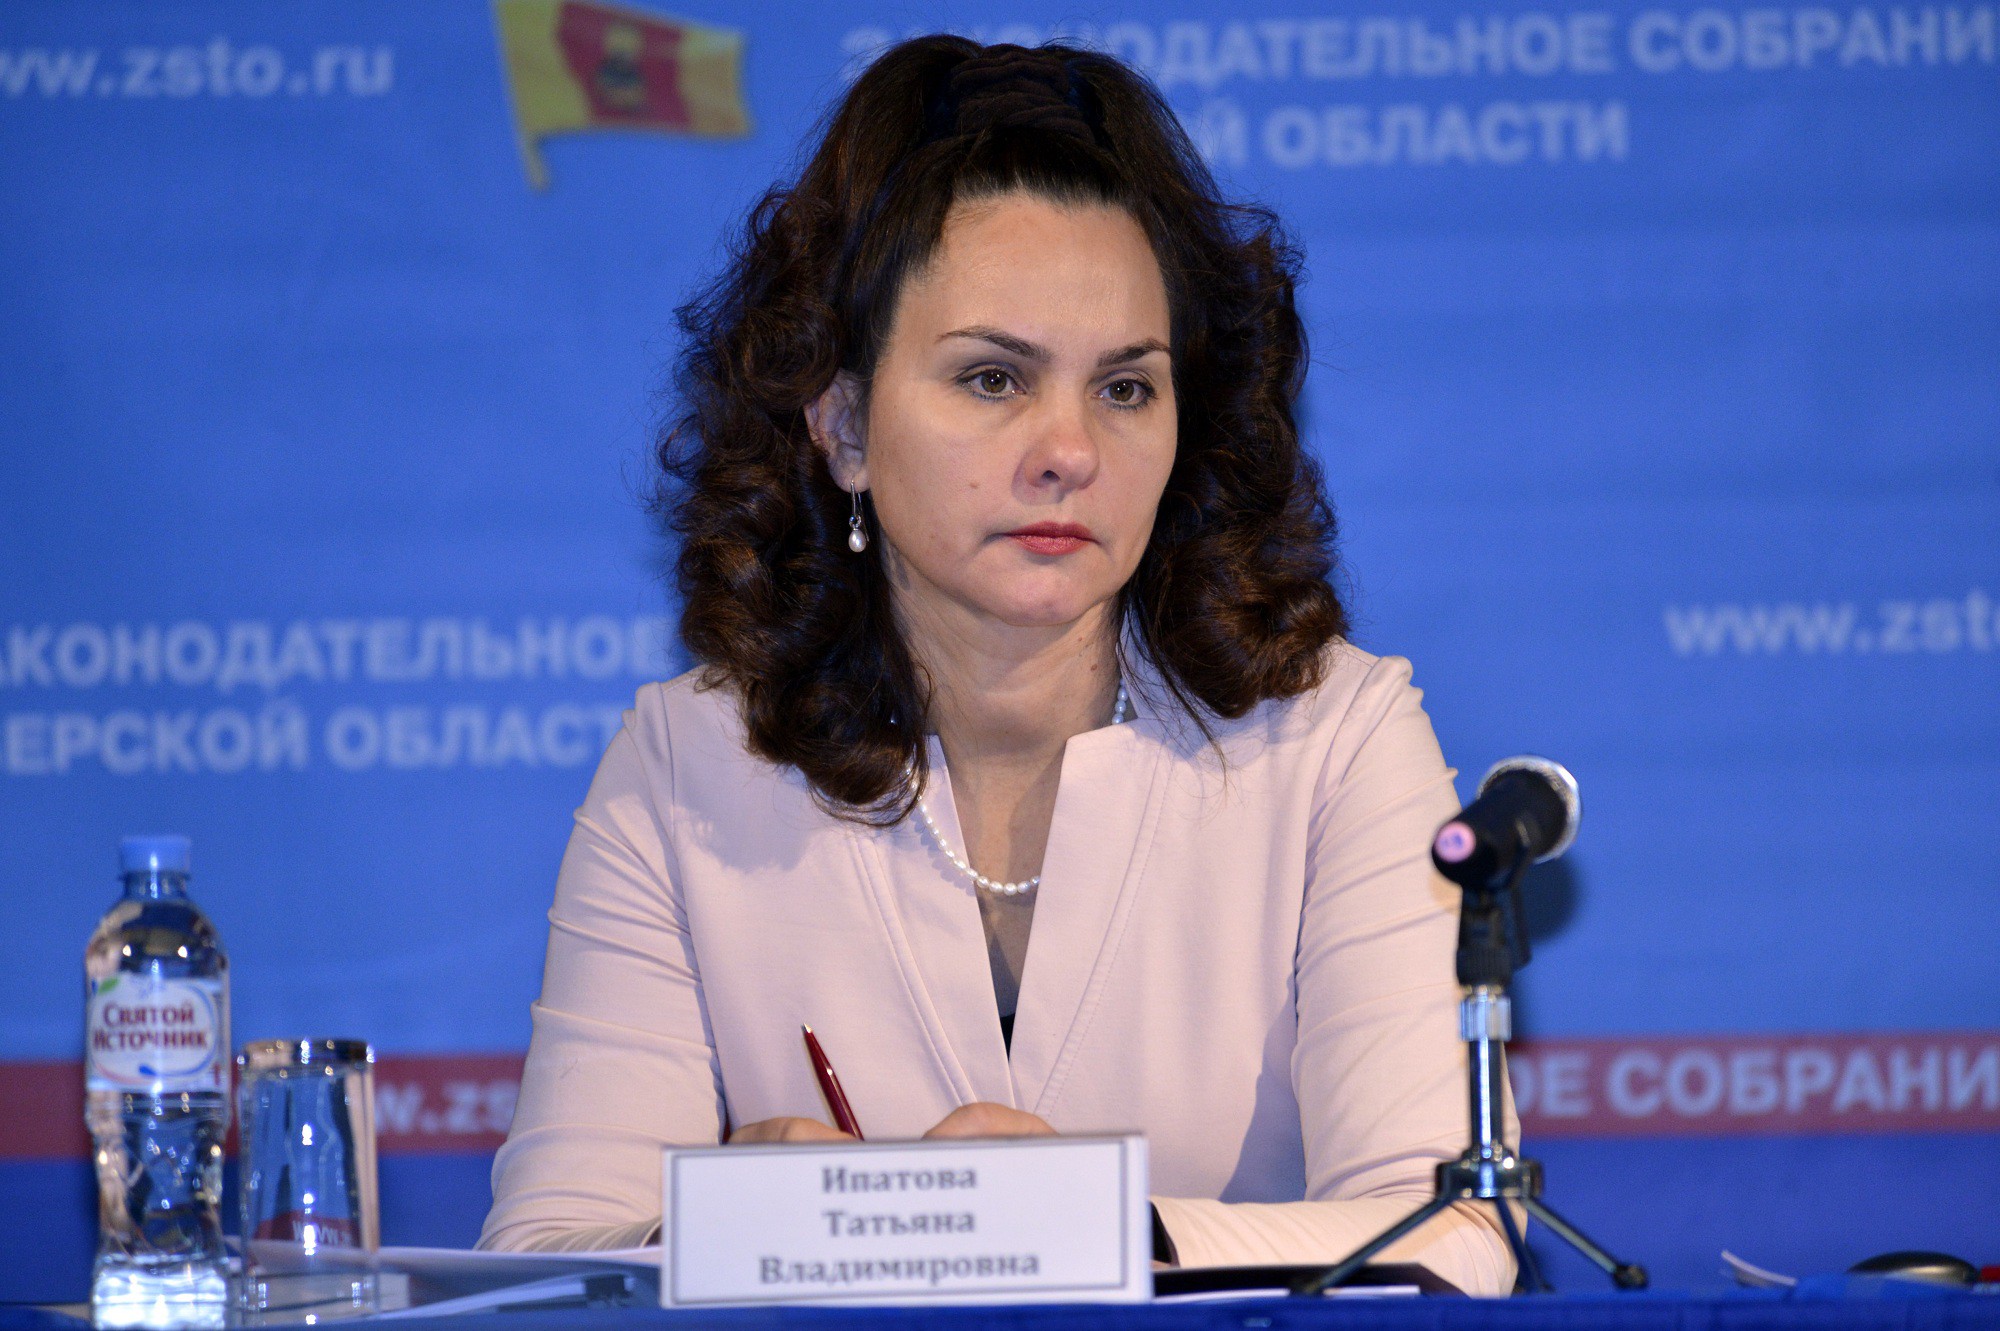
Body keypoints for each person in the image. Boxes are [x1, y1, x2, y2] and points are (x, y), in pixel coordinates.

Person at [478, 36, 1516, 1294]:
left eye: (1124, 389)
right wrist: (740, 1223)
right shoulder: (689, 764)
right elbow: (539, 1269)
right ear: (842, 425)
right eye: (992, 378)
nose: (1067, 449)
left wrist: (1089, 1231)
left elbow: (1453, 1234)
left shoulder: (1333, 740)